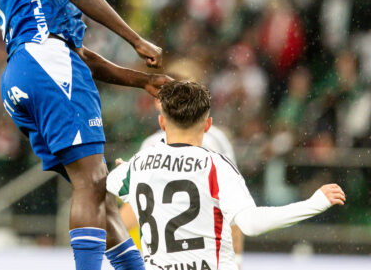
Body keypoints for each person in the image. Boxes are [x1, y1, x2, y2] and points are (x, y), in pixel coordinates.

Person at [0, 0, 169, 270]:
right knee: (93, 182)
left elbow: (79, 55)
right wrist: (135, 40)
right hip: (45, 64)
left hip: (23, 75)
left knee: (99, 195)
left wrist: (142, 80)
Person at [107, 80, 345, 270]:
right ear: (208, 125)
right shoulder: (215, 165)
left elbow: (108, 184)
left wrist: (124, 171)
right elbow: (251, 223)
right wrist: (313, 204)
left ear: (161, 122)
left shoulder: (138, 165)